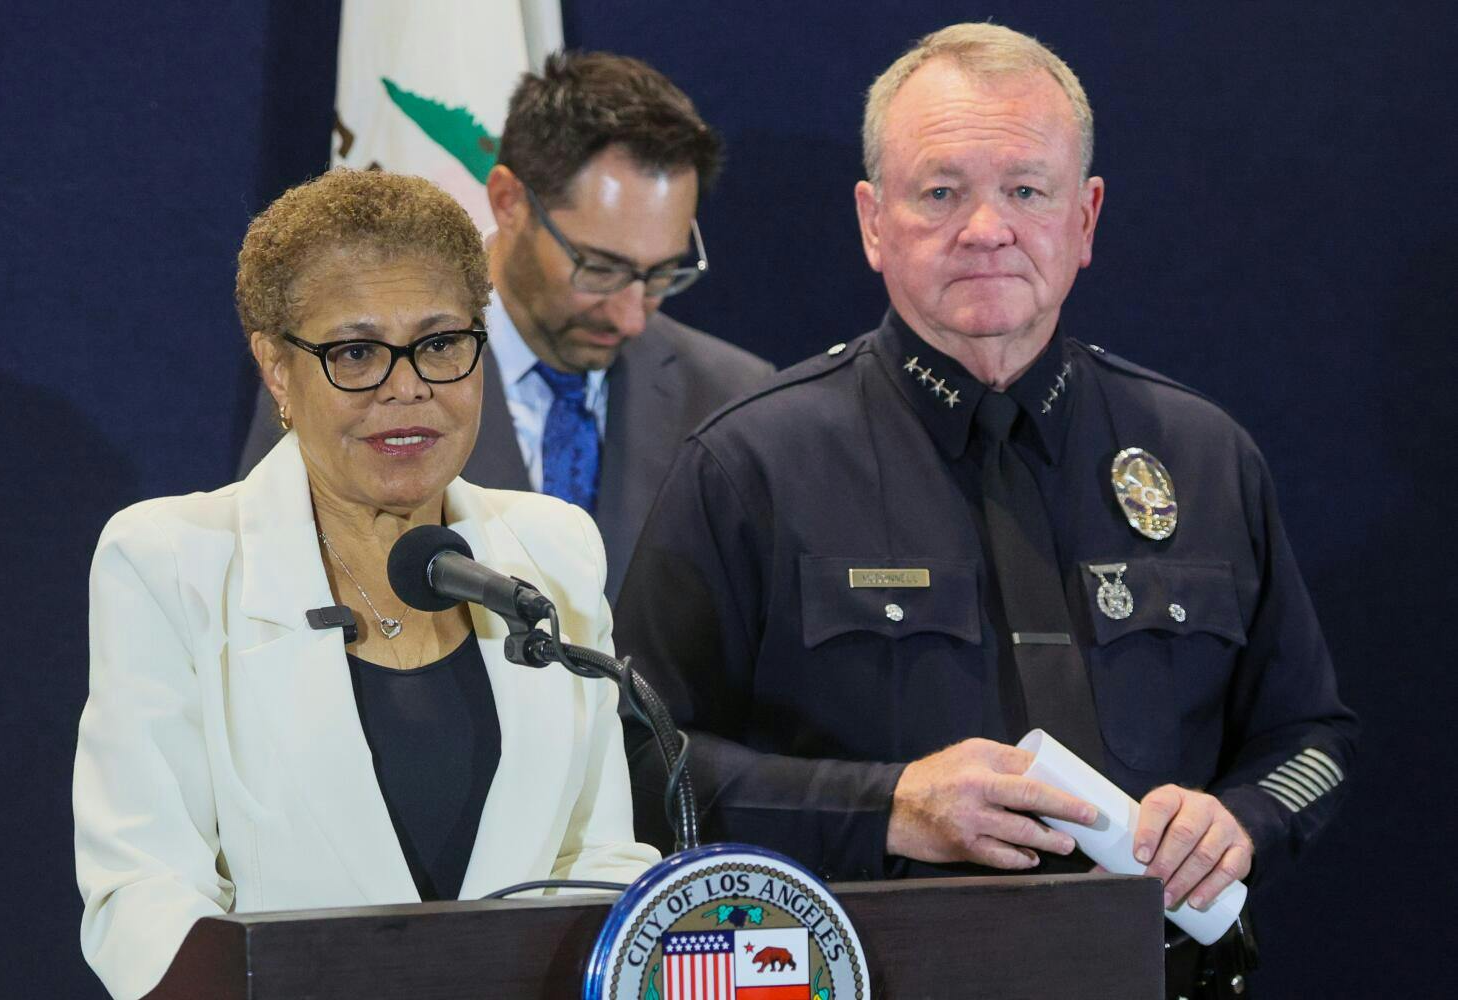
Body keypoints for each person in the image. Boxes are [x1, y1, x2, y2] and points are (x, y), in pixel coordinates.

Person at [614, 23, 1356, 996]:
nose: (986, 228)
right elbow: (629, 763)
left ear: (1085, 218)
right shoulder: (750, 465)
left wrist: (1241, 822)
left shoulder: (1205, 456)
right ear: (872, 221)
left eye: (1026, 190)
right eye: (940, 192)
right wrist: (884, 806)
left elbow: (1311, 740)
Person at [74, 170, 658, 1000]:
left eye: (441, 343)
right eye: (355, 353)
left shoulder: (551, 550)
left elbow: (599, 858)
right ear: (276, 369)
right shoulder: (170, 562)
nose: (407, 386)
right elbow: (143, 895)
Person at [239, 52, 773, 602]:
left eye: (661, 273)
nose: (632, 315)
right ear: (508, 200)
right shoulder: (344, 364)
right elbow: (274, 583)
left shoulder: (732, 396)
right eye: (600, 268)